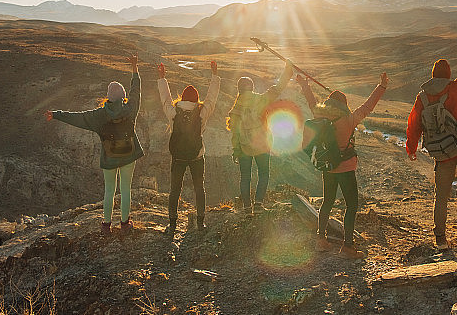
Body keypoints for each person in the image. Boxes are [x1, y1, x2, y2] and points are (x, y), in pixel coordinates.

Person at [405, 25, 457, 249]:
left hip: (441, 154)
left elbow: (414, 125)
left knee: (441, 197)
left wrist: (411, 149)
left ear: (433, 75)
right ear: (449, 74)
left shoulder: (422, 97)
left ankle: (441, 240)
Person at [44, 54, 143, 235]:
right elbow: (136, 90)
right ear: (123, 97)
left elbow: (77, 117)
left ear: (108, 98)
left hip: (109, 158)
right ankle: (125, 224)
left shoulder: (98, 115)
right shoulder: (130, 108)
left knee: (109, 191)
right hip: (129, 155)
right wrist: (135, 68)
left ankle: (106, 226)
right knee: (126, 189)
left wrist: (56, 114)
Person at [298, 72, 388, 259]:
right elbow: (368, 106)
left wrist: (305, 85)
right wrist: (382, 86)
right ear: (344, 105)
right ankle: (347, 247)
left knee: (327, 202)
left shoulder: (319, 114)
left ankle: (321, 241)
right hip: (346, 168)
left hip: (328, 166)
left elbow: (311, 101)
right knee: (351, 205)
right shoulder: (350, 119)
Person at [157, 60, 221, 233]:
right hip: (197, 156)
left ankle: (172, 223)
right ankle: (200, 222)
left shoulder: (173, 113)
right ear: (196, 99)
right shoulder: (201, 113)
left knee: (174, 190)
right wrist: (215, 76)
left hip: (178, 156)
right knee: (199, 188)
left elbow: (165, 100)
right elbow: (212, 99)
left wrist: (162, 78)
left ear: (182, 98)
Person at [227, 60, 294, 213]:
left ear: (239, 90)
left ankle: (246, 207)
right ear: (252, 87)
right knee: (263, 174)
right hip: (262, 144)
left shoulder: (236, 107)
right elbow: (277, 89)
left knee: (245, 177)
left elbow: (234, 132)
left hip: (244, 147)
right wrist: (287, 71)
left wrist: (236, 150)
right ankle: (258, 204)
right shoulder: (261, 99)